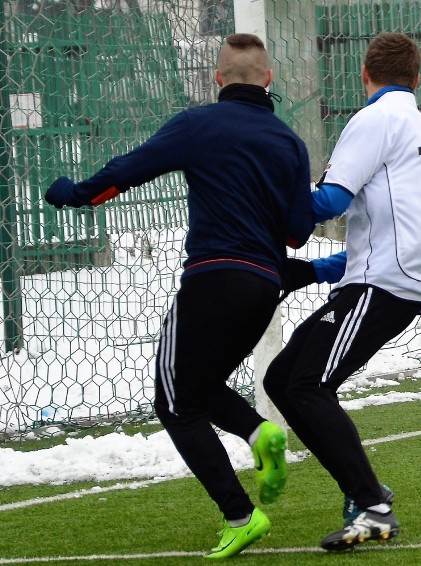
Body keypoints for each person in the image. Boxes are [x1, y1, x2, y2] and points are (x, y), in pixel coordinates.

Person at [44, 33, 318, 559]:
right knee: (198, 386)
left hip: (213, 279)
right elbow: (297, 232)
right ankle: (259, 434)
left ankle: (240, 514)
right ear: (269, 80)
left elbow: (127, 171)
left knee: (172, 402)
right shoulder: (289, 142)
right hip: (265, 288)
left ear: (217, 79)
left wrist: (75, 193)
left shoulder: (198, 124)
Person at [262, 32, 421, 551]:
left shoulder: (374, 119)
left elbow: (330, 202)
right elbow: (382, 228)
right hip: (379, 281)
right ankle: (365, 493)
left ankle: (372, 504)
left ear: (364, 76)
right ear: (417, 78)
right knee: (282, 378)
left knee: (305, 386)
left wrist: (265, 201)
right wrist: (315, 271)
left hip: (382, 286)